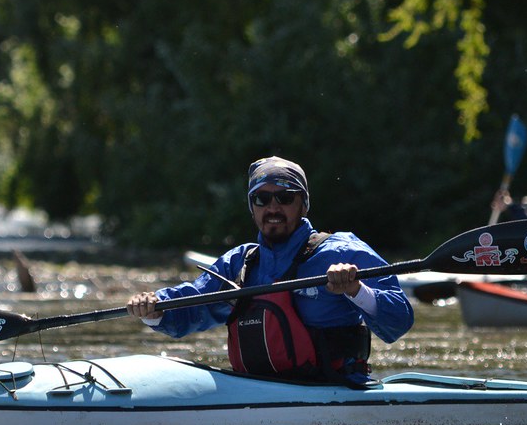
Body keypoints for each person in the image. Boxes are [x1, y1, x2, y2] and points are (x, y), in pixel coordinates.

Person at [126, 156, 414, 385]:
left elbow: (399, 320)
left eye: (285, 198)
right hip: (260, 390)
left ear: (303, 205)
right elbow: (191, 306)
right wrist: (153, 309)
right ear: (252, 208)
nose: (273, 207)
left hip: (335, 388)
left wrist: (355, 290)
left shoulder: (343, 252)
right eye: (261, 199)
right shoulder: (240, 263)